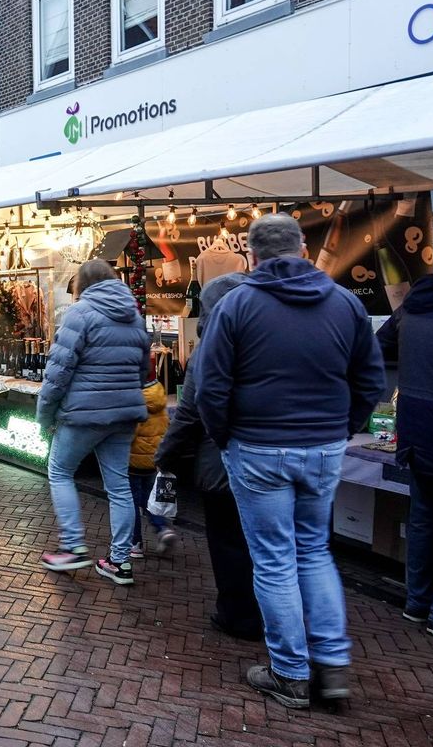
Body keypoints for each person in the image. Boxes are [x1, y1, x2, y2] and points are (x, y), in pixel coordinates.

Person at [197, 214, 384, 707]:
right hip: (321, 446)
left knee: (275, 559)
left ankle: (290, 672)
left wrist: (226, 438)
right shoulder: (345, 303)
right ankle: (332, 665)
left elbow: (210, 386)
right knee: (314, 551)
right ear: (303, 250)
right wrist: (341, 428)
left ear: (252, 256)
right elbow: (370, 380)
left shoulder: (236, 305)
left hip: (257, 447)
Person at [155, 272, 262, 641]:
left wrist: (166, 455)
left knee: (228, 541)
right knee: (268, 544)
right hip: (270, 461)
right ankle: (274, 615)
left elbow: (190, 413)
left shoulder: (209, 349)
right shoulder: (268, 341)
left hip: (223, 464)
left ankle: (238, 615)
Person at [35, 259, 149, 586]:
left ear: (82, 285)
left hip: (84, 414)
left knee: (60, 471)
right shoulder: (135, 317)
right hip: (123, 415)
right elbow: (142, 370)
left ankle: (72, 546)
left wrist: (45, 414)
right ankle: (120, 561)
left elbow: (58, 372)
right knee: (119, 486)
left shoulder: (80, 314)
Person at [376, 272, 433, 639]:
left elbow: (376, 345)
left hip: (415, 430)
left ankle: (417, 603)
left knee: (423, 519)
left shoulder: (411, 308)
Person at [128, 369, 176, 559]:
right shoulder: (159, 396)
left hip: (133, 460)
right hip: (153, 460)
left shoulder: (137, 400)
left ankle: (135, 543)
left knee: (131, 502)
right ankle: (162, 528)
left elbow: (131, 433)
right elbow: (165, 427)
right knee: (149, 499)